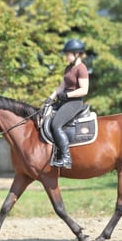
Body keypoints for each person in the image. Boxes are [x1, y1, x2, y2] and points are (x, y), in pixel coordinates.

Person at [44, 39, 89, 169]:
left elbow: (84, 90)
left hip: (74, 102)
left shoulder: (82, 69)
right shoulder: (69, 68)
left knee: (56, 124)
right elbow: (61, 86)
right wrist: (50, 98)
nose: (66, 56)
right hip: (64, 100)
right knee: (45, 117)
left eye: (68, 54)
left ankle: (66, 159)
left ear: (77, 54)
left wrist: (67, 95)